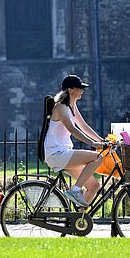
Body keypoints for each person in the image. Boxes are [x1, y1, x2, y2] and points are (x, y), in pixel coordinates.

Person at [43, 74, 104, 207]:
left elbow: (83, 126)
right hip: (57, 154)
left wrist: (102, 141)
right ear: (71, 90)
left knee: (93, 186)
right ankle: (75, 190)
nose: (82, 91)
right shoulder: (60, 107)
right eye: (79, 88)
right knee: (98, 157)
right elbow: (73, 129)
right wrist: (93, 144)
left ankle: (78, 221)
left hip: (65, 153)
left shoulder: (72, 106)